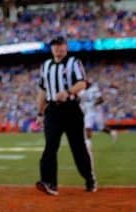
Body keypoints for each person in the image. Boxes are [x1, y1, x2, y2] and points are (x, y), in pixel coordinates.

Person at [36, 35, 96, 196]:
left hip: (71, 109)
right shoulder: (46, 66)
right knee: (50, 146)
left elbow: (82, 83)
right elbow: (42, 90)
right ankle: (49, 183)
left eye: (61, 45)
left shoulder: (74, 62)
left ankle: (89, 178)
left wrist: (68, 92)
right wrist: (40, 112)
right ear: (51, 48)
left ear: (66, 47)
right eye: (55, 46)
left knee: (78, 147)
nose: (58, 48)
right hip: (52, 111)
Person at [80, 82, 118, 155]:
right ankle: (88, 144)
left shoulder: (94, 89)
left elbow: (101, 100)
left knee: (101, 128)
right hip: (89, 112)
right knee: (88, 127)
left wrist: (93, 104)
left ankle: (112, 132)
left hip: (97, 111)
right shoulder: (82, 92)